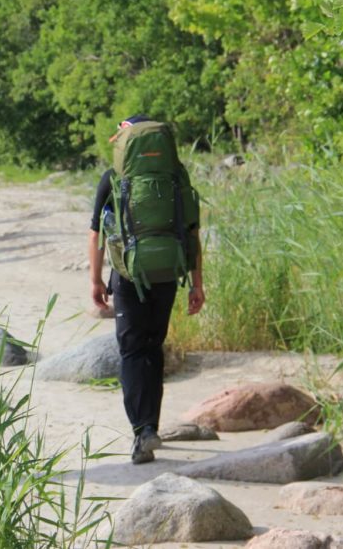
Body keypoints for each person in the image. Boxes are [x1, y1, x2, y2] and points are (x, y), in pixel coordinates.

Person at [89, 115, 205, 465]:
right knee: (153, 347)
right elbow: (193, 232)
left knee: (132, 351)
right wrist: (197, 283)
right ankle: (150, 426)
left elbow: (96, 233)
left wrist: (95, 281)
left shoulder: (113, 178)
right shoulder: (176, 177)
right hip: (168, 273)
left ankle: (142, 431)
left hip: (128, 276)